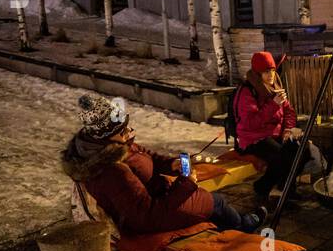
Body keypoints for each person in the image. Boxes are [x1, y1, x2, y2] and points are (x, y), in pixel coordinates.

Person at [62, 94, 264, 235]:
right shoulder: (113, 170)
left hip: (159, 199)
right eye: (123, 130)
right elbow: (147, 217)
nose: (130, 132)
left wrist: (171, 164)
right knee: (216, 201)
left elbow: (145, 155)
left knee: (212, 201)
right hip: (152, 218)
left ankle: (233, 228)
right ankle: (240, 229)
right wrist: (185, 183)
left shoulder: (109, 147)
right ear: (105, 135)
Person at [234, 51, 309, 207]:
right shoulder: (248, 91)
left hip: (275, 135)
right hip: (254, 138)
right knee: (281, 156)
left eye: (273, 71)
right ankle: (262, 187)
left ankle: (286, 188)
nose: (271, 75)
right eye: (266, 72)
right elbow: (250, 123)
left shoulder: (275, 86)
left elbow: (289, 111)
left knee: (302, 150)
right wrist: (274, 104)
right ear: (257, 73)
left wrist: (288, 130)